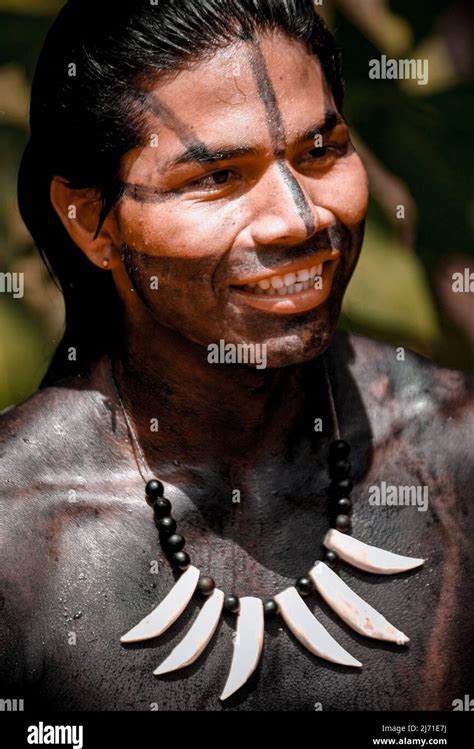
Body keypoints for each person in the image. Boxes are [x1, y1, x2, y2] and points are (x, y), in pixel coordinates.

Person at [0, 0, 472, 712]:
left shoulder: (455, 454)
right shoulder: (18, 529)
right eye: (216, 177)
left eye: (320, 152)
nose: (300, 219)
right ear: (90, 221)